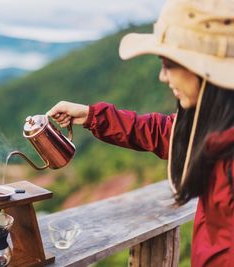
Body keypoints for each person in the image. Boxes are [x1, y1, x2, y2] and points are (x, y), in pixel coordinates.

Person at [47, 0, 234, 266]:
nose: (162, 76)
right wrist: (91, 115)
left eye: (168, 64)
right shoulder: (213, 131)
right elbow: (167, 132)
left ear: (201, 69)